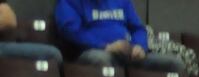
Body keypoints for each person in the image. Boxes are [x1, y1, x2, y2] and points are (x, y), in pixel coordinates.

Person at [54, 0, 184, 71]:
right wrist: (105, 46)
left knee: (175, 63)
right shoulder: (70, 1)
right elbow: (70, 31)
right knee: (100, 59)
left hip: (128, 55)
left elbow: (138, 28)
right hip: (95, 53)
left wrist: (140, 46)